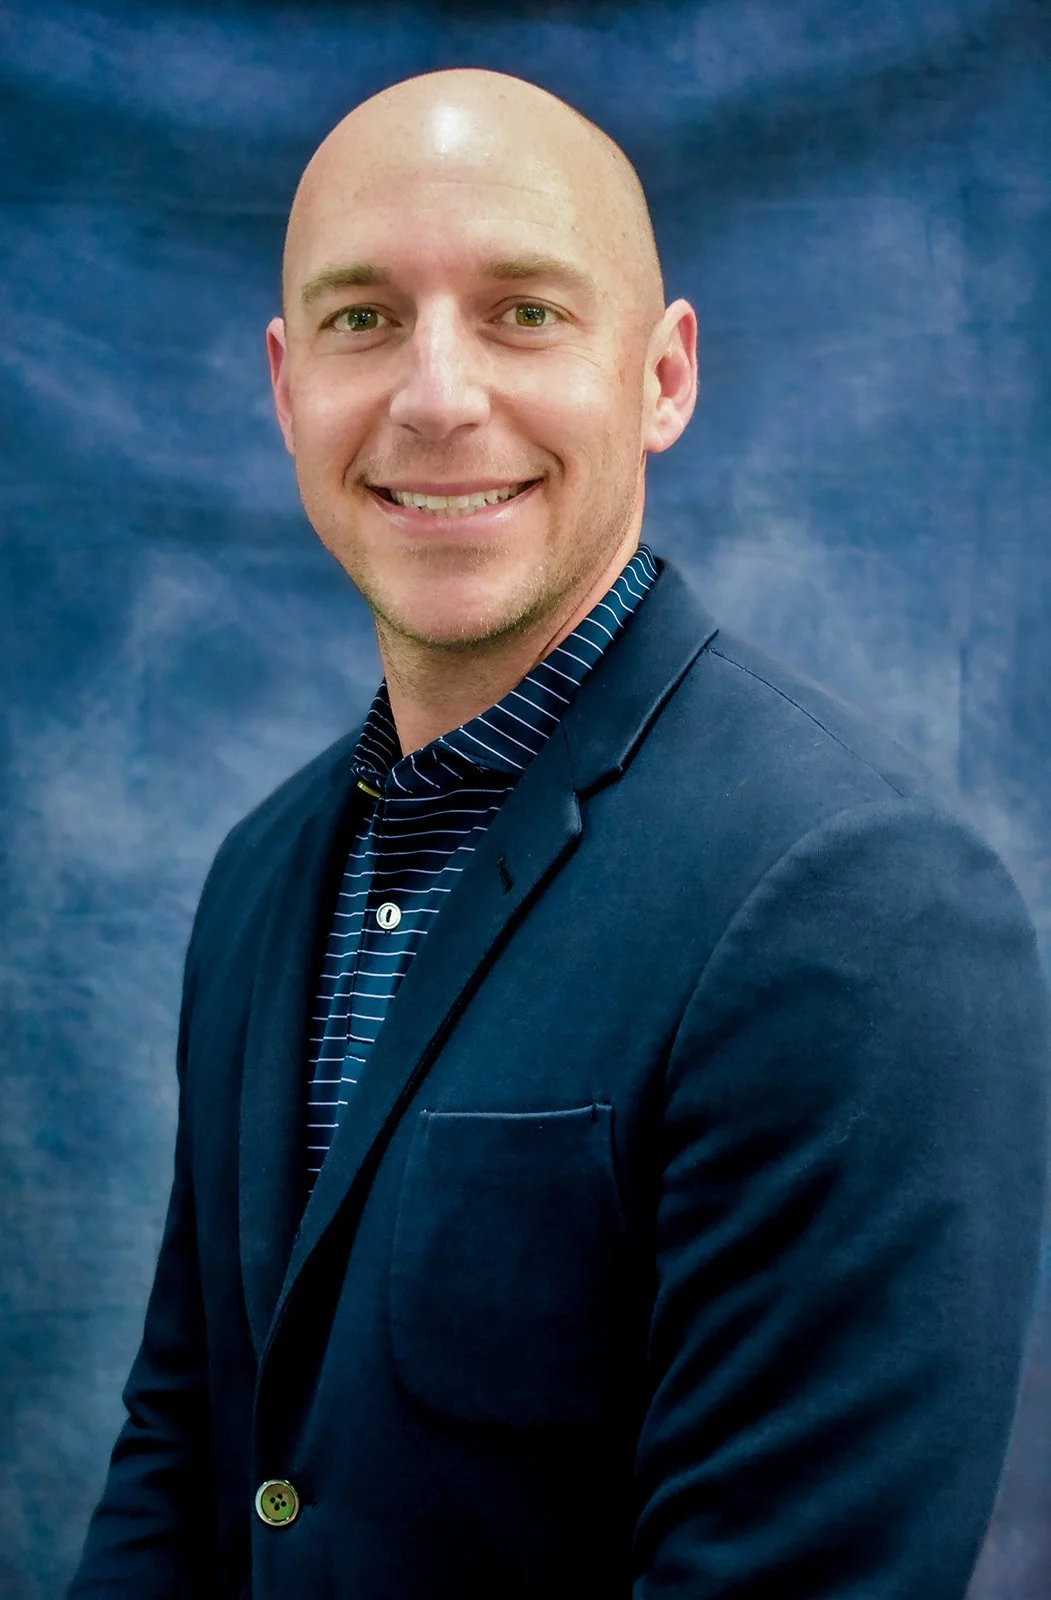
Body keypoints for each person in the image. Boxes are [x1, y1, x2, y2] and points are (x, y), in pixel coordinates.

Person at [69, 67, 1049, 1600]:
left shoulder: (862, 910)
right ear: (284, 385)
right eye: (362, 319)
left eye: (524, 311)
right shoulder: (263, 871)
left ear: (661, 377)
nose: (436, 396)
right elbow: (182, 1456)